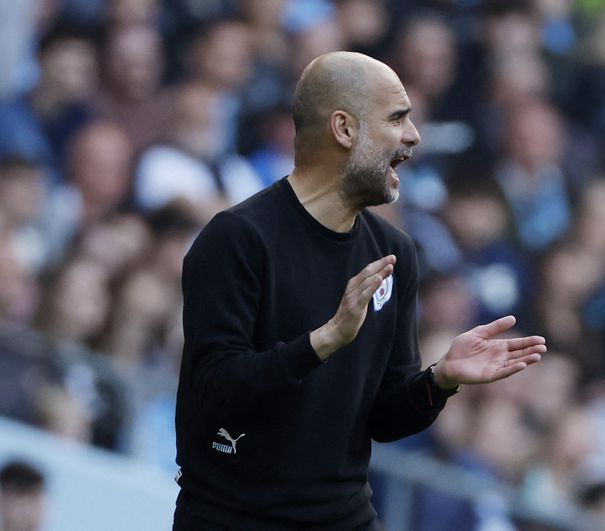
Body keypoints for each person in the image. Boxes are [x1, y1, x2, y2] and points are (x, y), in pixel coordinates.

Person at [173, 51, 547, 530]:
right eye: (397, 118)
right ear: (344, 129)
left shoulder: (395, 251)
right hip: (235, 518)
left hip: (344, 518)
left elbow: (384, 420)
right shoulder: (238, 238)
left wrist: (440, 380)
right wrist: (324, 341)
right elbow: (214, 394)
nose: (413, 136)